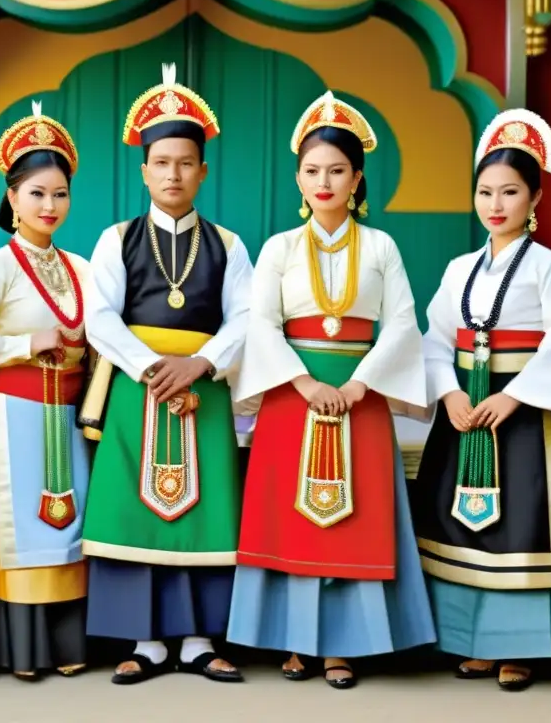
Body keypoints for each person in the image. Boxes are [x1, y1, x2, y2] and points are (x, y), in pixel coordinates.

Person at [227, 91, 435, 689]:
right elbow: (260, 324)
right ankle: (295, 639)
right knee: (291, 518)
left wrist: (360, 383)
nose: (324, 182)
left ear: (357, 178)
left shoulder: (382, 247)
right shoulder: (279, 248)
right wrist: (304, 382)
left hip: (360, 398)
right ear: (298, 176)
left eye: (337, 171)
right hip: (293, 395)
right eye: (313, 171)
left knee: (355, 516)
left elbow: (401, 322)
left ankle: (345, 645)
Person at [81, 63, 252, 684]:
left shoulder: (229, 245)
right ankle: (146, 640)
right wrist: (153, 368)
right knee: (137, 511)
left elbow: (247, 318)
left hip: (202, 391)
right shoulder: (117, 238)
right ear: (145, 168)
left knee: (206, 512)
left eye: (186, 162)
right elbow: (98, 317)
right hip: (139, 388)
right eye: (162, 162)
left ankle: (201, 640)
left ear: (203, 171)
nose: (174, 174)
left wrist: (200, 363)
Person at [411, 109, 551, 691]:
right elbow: (435, 338)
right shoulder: (460, 267)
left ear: (534, 196)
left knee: (523, 526)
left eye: (510, 192)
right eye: (485, 191)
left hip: (523, 420)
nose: (496, 204)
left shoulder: (549, 267)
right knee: (457, 524)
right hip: (466, 410)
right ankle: (469, 641)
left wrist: (513, 399)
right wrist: (450, 393)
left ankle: (523, 648)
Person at [0, 103, 90, 680]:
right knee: (23, 526)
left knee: (69, 526)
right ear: (11, 197)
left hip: (69, 415)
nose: (48, 206)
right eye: (36, 193)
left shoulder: (81, 266)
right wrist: (26, 344)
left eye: (59, 194)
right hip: (14, 415)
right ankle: (22, 648)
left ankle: (68, 643)